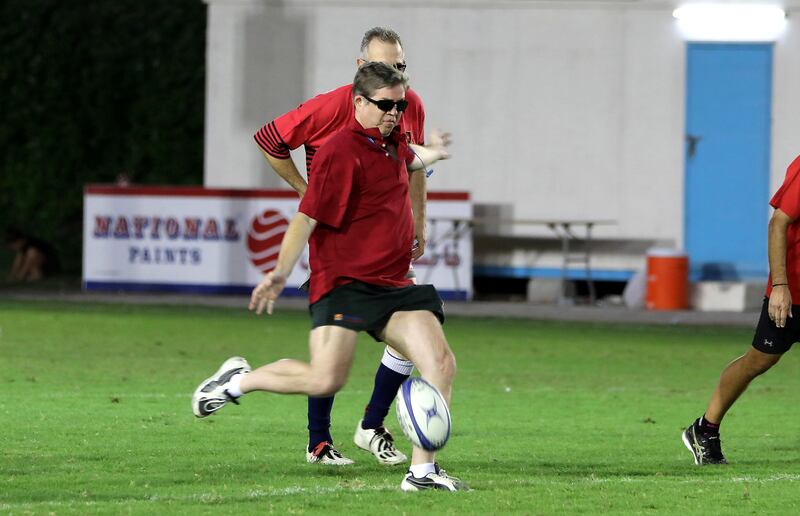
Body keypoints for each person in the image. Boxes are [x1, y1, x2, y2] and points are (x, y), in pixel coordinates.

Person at [194, 62, 466, 491]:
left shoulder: (394, 143)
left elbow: (414, 159)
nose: (394, 114)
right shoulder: (340, 151)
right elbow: (305, 218)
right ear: (359, 102)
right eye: (384, 106)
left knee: (440, 362)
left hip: (393, 285)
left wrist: (434, 151)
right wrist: (280, 273)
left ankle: (422, 473)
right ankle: (238, 381)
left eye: (399, 105)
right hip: (345, 283)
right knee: (326, 378)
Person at [253, 27, 437, 466]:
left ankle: (371, 426)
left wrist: (418, 222)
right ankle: (319, 440)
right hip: (342, 241)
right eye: (387, 65)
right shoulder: (333, 107)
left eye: (402, 65)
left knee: (415, 336)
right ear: (360, 70)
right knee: (335, 346)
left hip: (387, 239)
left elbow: (411, 167)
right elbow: (269, 139)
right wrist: (306, 190)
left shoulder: (409, 106)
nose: (396, 73)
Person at [683, 154, 800, 465]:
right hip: (794, 289)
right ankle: (705, 428)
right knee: (759, 360)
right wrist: (779, 286)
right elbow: (778, 222)